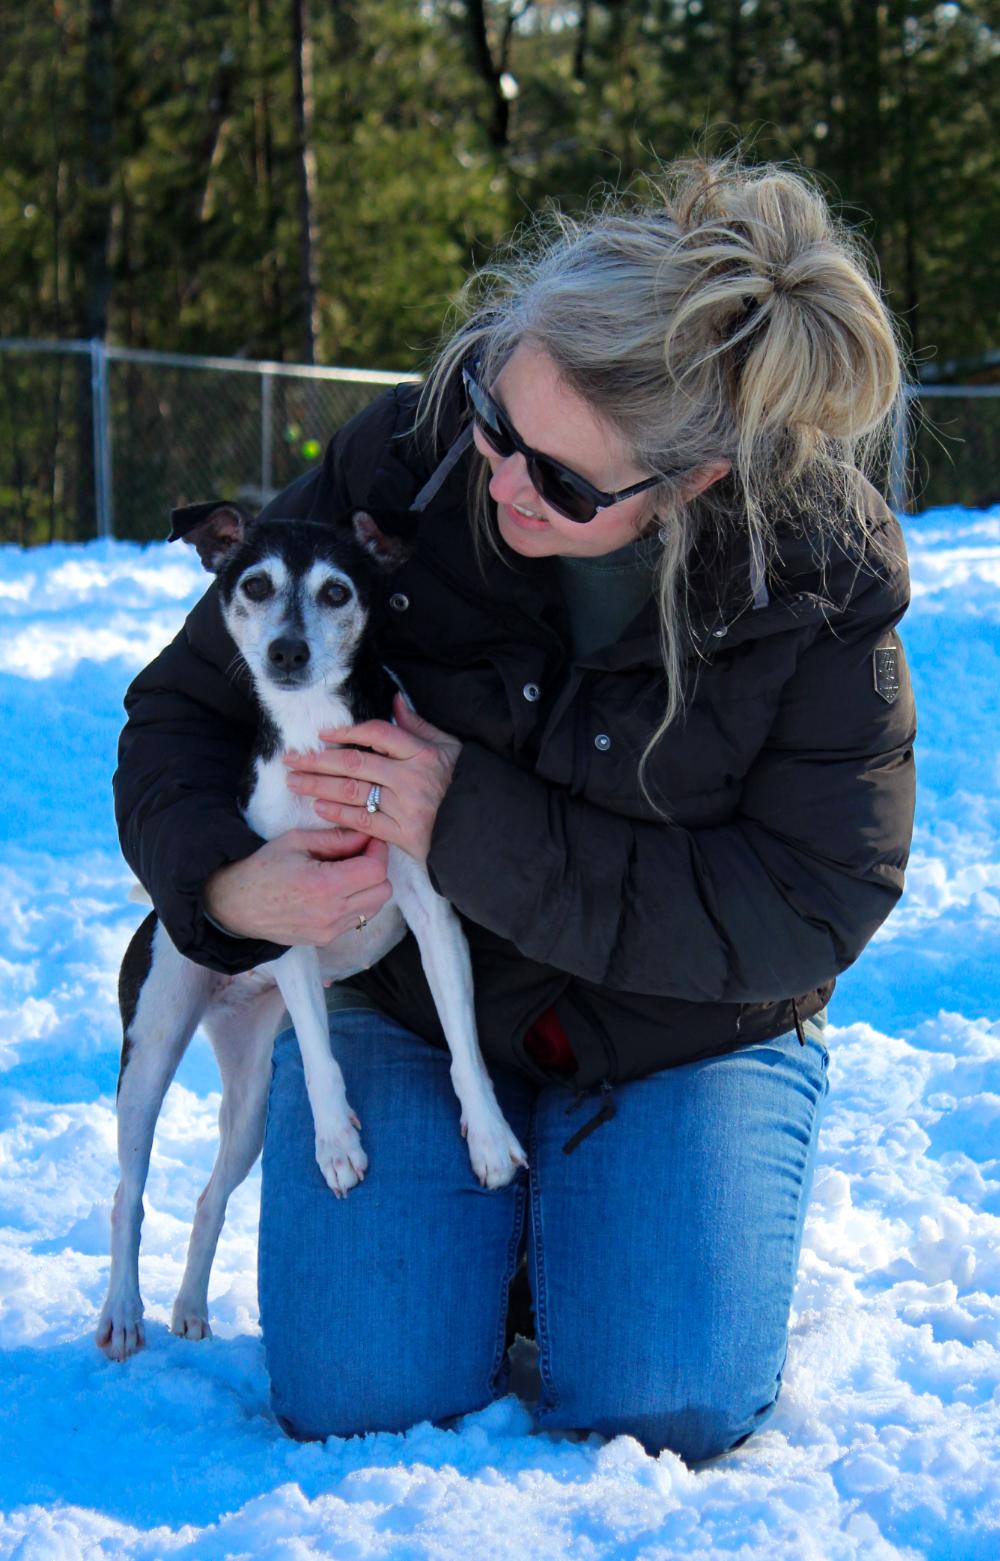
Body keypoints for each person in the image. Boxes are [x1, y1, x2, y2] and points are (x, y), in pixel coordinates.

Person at [114, 157, 916, 1463]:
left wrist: (464, 818)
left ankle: (599, 1215)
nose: (502, 480)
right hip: (410, 997)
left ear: (695, 480)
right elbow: (178, 714)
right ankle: (496, 1226)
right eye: (500, 418)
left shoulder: (815, 572)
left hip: (673, 1027)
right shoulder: (413, 463)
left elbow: (813, 898)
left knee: (664, 1396)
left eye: (565, 483)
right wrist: (225, 888)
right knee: (355, 1383)